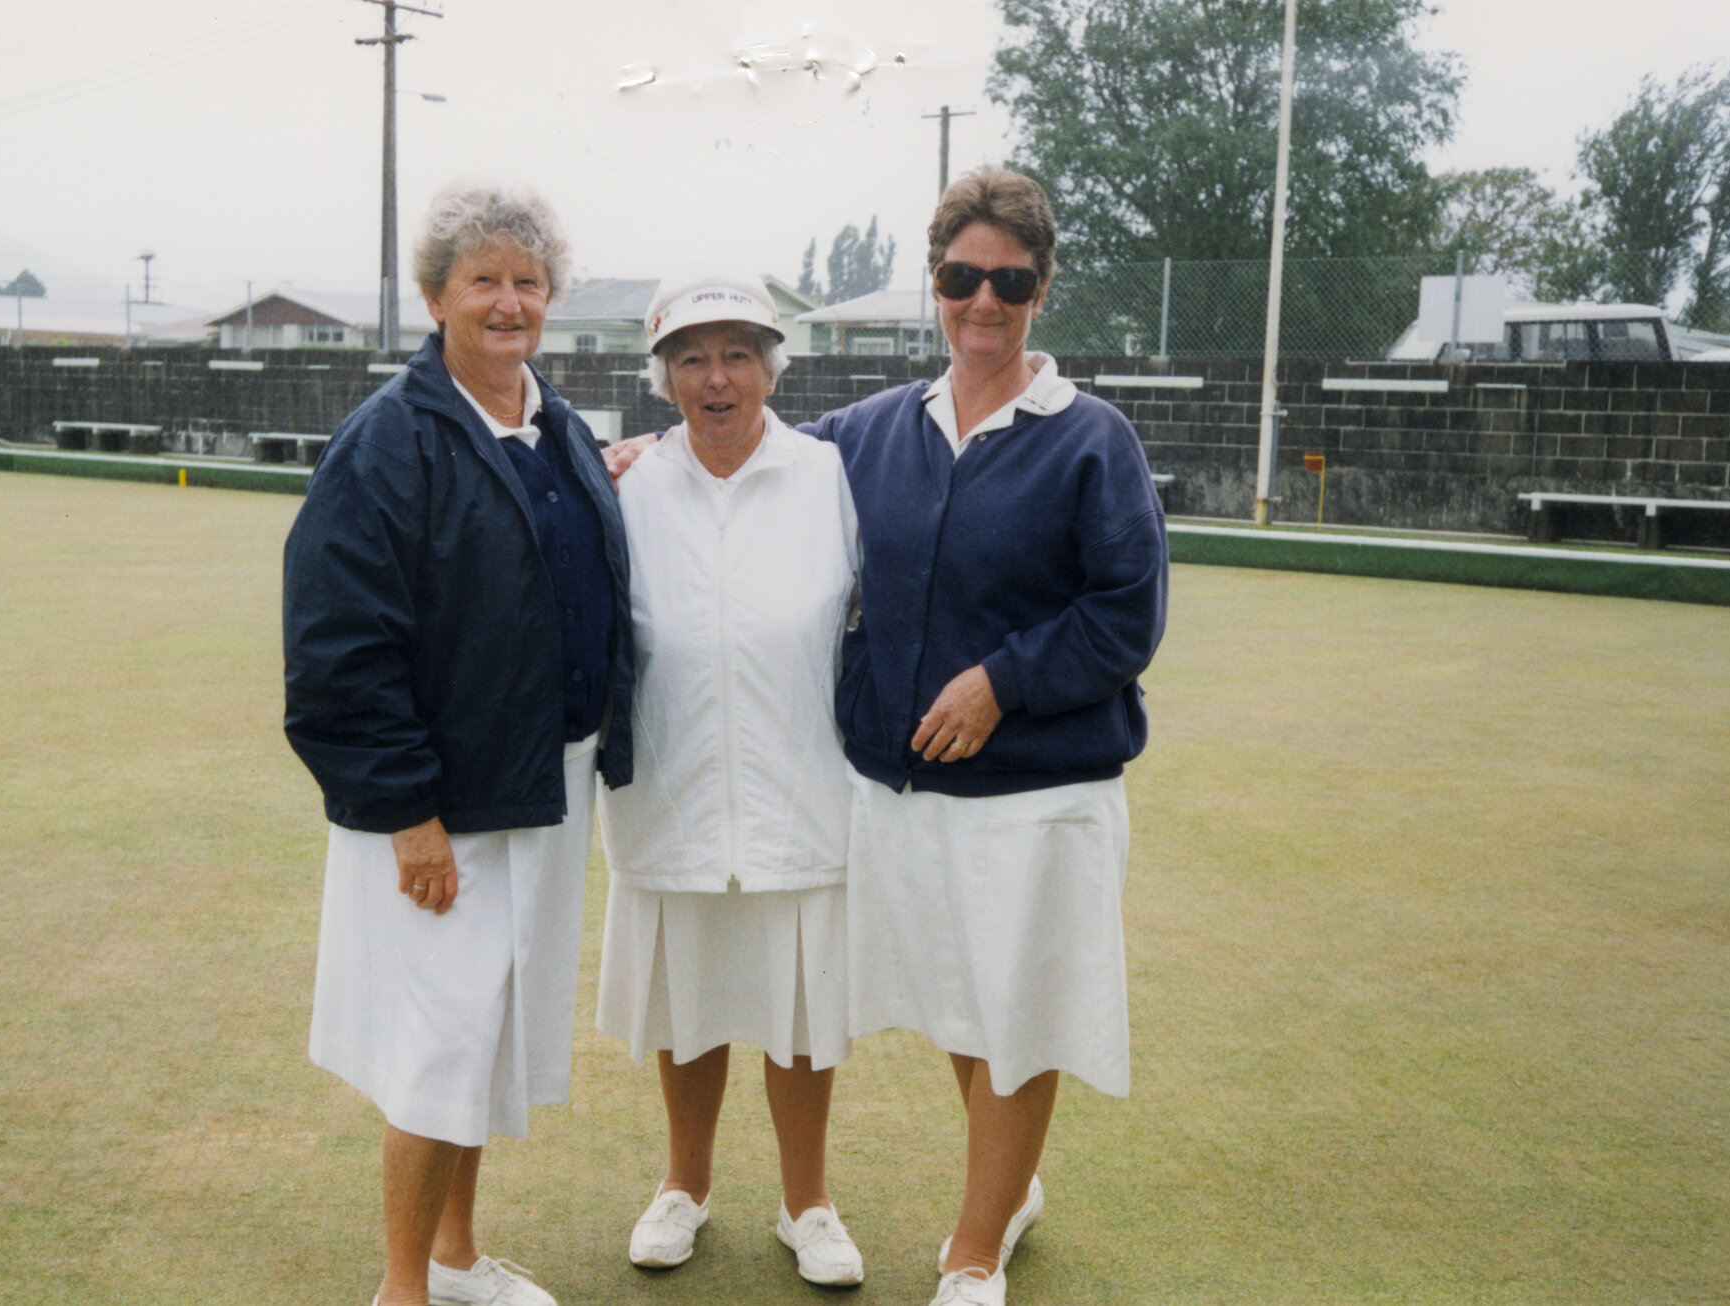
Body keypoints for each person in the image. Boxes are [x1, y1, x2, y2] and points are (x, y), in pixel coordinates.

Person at [606, 168, 1167, 1306]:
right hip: (911, 792)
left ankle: (972, 1247)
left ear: (1040, 288)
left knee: (1015, 1011)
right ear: (934, 282)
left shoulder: (1091, 438)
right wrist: (636, 454)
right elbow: (752, 444)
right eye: (961, 276)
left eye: (1008, 280)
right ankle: (1001, 1194)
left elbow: (1127, 611)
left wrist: (1001, 683)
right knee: (969, 1006)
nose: (982, 300)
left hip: (1039, 788)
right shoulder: (869, 433)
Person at [283, 183, 632, 1306]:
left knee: (483, 1040)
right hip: (442, 810)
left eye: (527, 281)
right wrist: (408, 811)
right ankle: (403, 1289)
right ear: (434, 296)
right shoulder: (386, 442)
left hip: (542, 788)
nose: (507, 300)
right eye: (482, 279)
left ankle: (456, 1255)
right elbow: (339, 649)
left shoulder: (562, 425)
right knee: (436, 1057)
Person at [596, 272, 866, 1286]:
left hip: (802, 785)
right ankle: (684, 1186)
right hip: (671, 787)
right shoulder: (623, 482)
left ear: (771, 367)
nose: (718, 377)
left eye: (739, 354)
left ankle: (809, 1204)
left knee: (800, 1012)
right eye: (693, 358)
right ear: (663, 376)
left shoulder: (828, 473)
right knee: (687, 1002)